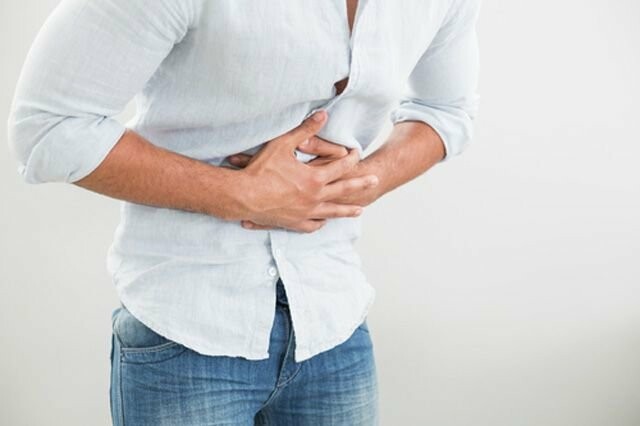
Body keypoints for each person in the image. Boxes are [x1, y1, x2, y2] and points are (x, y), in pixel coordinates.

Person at [7, 0, 481, 424]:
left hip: (333, 323)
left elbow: (446, 110)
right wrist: (241, 193)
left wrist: (358, 181)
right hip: (186, 332)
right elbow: (47, 126)